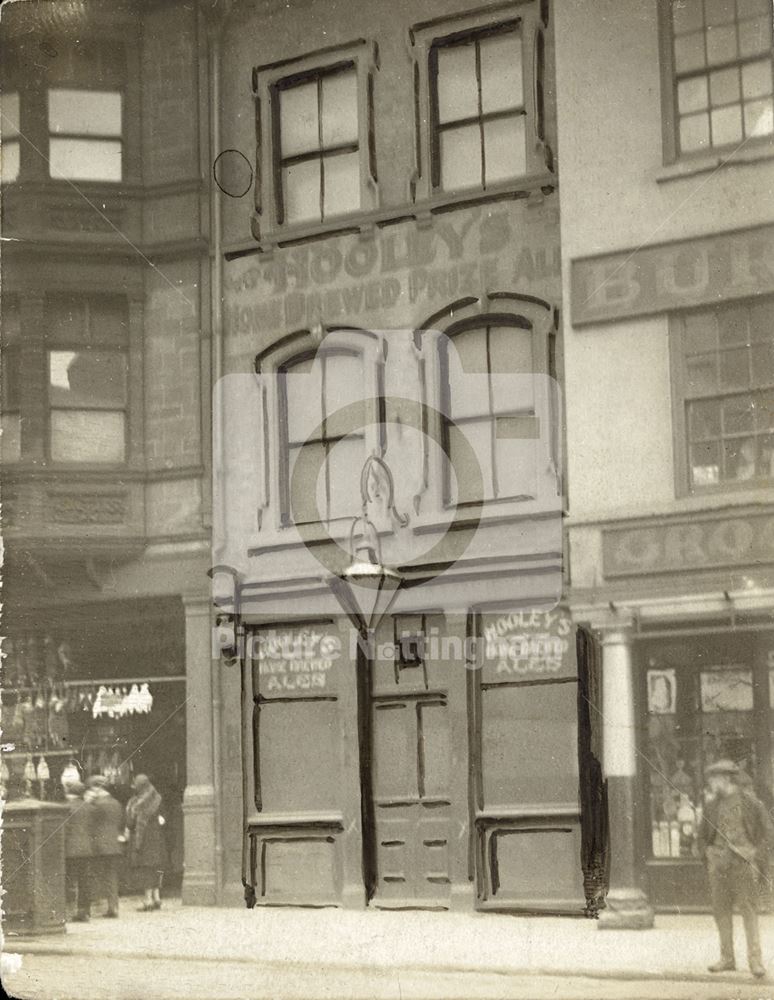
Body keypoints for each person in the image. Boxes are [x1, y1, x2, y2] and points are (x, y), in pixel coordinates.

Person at [700, 759, 774, 979]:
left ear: (725, 779)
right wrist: (708, 855)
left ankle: (755, 961)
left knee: (749, 912)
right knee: (720, 912)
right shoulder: (711, 806)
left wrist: (755, 855)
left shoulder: (752, 803)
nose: (711, 784)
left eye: (713, 779)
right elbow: (701, 837)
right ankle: (727, 959)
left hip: (743, 866)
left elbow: (768, 833)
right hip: (718, 868)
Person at [125, 774, 166, 911]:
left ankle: (148, 900)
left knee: (145, 869)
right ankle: (157, 897)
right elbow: (163, 819)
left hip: (143, 839)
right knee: (156, 867)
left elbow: (130, 823)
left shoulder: (136, 803)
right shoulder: (158, 799)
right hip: (157, 838)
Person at [86, 774, 124, 918]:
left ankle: (98, 906)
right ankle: (113, 907)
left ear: (96, 788)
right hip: (114, 845)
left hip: (98, 845)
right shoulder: (116, 803)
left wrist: (87, 801)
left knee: (96, 875)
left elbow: (89, 823)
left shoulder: (96, 806)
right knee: (111, 876)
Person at [63, 779, 93, 922]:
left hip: (70, 849)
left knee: (69, 880)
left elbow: (65, 829)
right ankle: (84, 911)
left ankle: (69, 911)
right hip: (86, 848)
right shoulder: (88, 807)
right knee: (85, 880)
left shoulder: (66, 807)